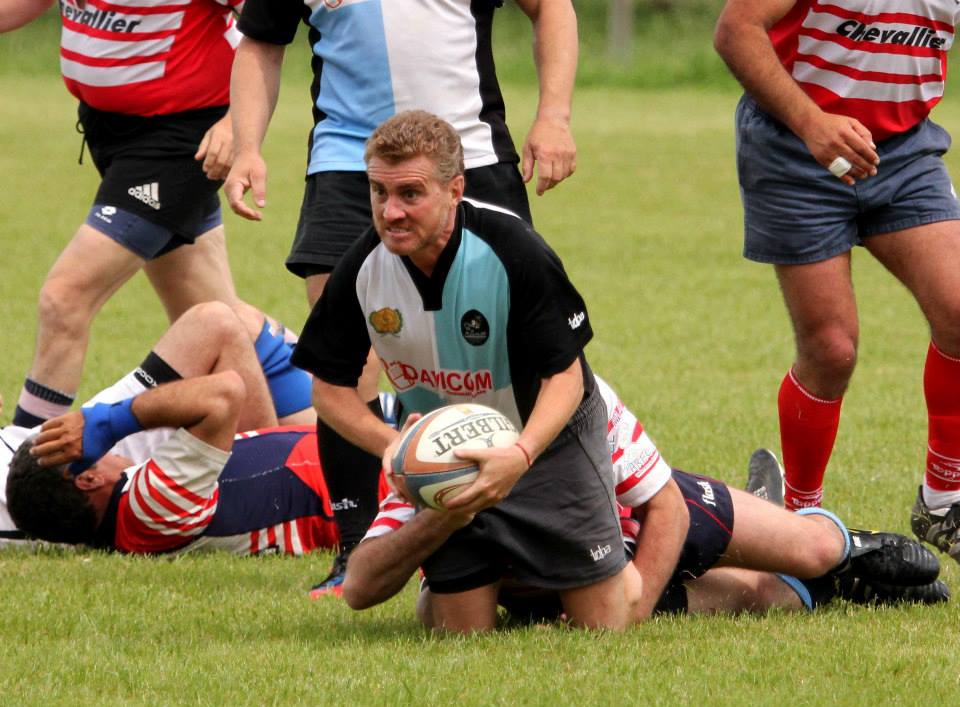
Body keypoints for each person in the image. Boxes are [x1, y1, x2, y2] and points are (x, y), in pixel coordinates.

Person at [224, 0, 579, 586]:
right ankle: (356, 542)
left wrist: (556, 116)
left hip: (469, 156)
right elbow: (261, 42)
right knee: (347, 366)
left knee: (523, 357)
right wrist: (247, 147)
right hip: (347, 166)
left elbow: (552, 8)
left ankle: (548, 517)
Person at [290, 111, 634, 632]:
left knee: (602, 626)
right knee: (459, 632)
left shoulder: (512, 249)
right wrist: (389, 445)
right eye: (379, 193)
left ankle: (663, 555)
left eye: (410, 194)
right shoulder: (363, 267)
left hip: (548, 439)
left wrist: (520, 456)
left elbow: (565, 378)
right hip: (451, 454)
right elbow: (329, 389)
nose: (391, 212)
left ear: (454, 189)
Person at [342, 376, 947, 627]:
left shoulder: (575, 398)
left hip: (650, 518)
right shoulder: (429, 471)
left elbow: (667, 509)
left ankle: (844, 546)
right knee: (773, 596)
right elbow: (362, 588)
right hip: (591, 571)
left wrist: (632, 600)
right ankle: (821, 585)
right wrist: (447, 516)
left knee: (811, 550)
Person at [713, 1, 960, 549]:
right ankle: (798, 520)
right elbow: (735, 30)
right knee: (831, 350)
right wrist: (811, 124)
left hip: (903, 149)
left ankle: (944, 500)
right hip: (795, 143)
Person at [1, 0, 245, 430]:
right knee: (216, 321)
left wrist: (235, 123)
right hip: (110, 131)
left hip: (181, 139)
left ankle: (20, 462)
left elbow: (269, 26)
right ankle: (305, 437)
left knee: (65, 297)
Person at [0, 300, 314, 543]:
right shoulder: (140, 501)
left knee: (235, 318)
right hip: (101, 468)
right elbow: (224, 391)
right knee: (221, 323)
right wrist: (108, 423)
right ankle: (277, 466)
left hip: (41, 462)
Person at [6, 374, 379, 555]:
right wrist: (107, 421)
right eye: (78, 444)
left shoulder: (128, 514)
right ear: (87, 479)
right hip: (382, 485)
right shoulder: (152, 507)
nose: (83, 434)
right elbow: (224, 392)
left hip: (356, 453)